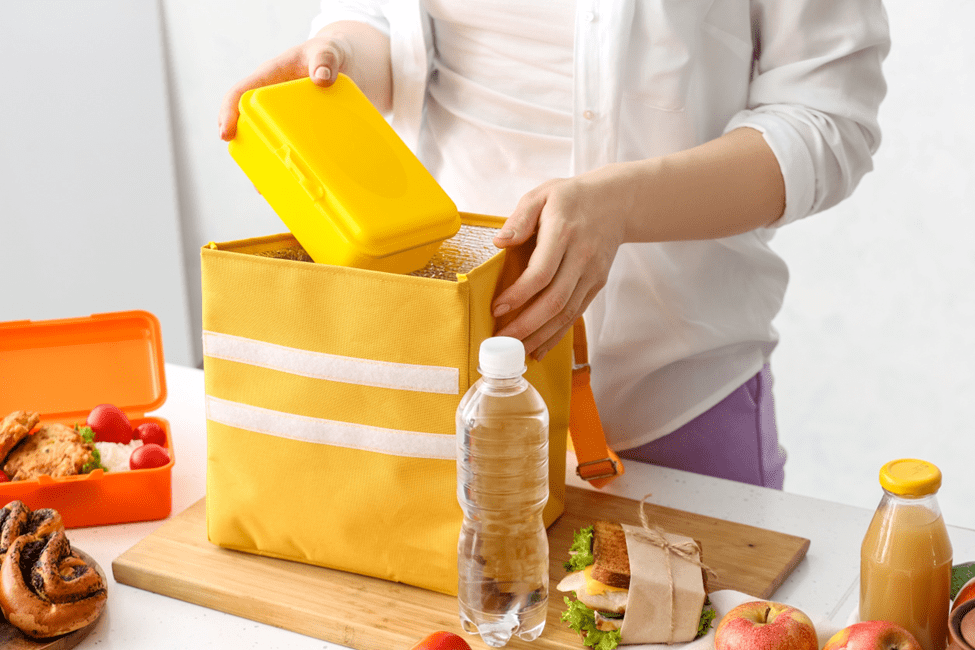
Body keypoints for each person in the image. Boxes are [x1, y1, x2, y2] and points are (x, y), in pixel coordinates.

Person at [219, 0, 890, 490]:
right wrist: (343, 57)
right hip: (439, 376)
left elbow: (826, 122)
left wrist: (620, 206)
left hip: (669, 390)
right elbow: (393, 24)